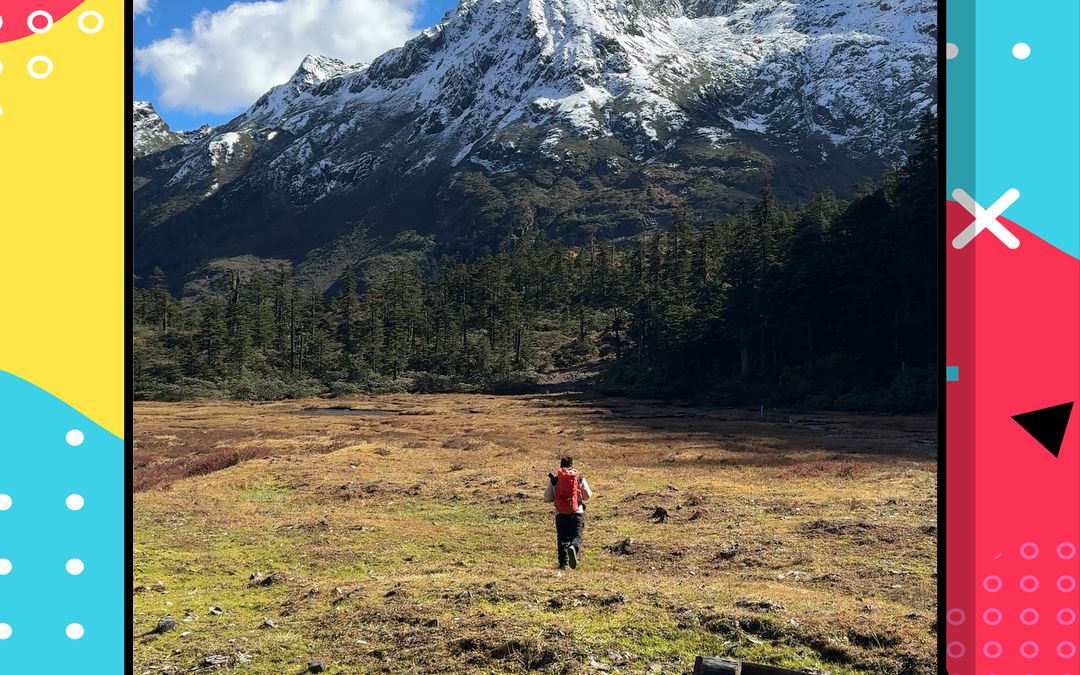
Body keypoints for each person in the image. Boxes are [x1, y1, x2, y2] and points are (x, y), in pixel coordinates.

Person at [543, 456, 593, 570]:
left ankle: (563, 564)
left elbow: (547, 497)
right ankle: (573, 547)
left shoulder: (555, 480)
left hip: (560, 514)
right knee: (577, 536)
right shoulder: (579, 478)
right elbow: (587, 495)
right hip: (577, 512)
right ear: (572, 465)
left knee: (562, 539)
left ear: (560, 466)